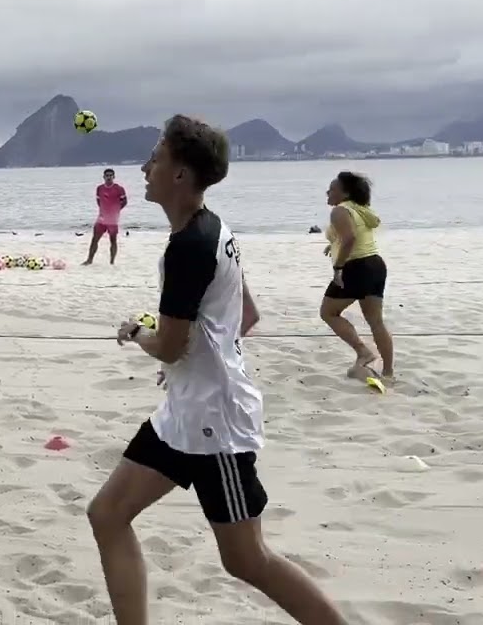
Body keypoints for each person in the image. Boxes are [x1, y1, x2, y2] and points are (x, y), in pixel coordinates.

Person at [87, 115, 347, 625]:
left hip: (214, 428)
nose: (145, 168)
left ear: (180, 174)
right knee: (107, 515)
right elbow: (246, 314)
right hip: (185, 414)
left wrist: (137, 334)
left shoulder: (189, 247)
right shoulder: (212, 227)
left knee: (248, 559)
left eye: (155, 158)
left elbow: (168, 347)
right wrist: (190, 362)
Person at [320, 171, 393, 380]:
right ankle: (388, 373)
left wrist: (338, 268)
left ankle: (363, 351)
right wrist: (333, 245)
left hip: (356, 267)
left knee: (328, 312)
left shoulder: (340, 211)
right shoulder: (360, 209)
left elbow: (350, 238)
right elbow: (352, 236)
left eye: (332, 189)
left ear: (345, 193)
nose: (327, 192)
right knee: (376, 321)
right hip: (375, 265)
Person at [84, 168, 128, 265]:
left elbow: (124, 202)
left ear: (114, 177)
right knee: (95, 239)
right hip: (101, 218)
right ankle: (89, 260)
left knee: (113, 240)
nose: (109, 177)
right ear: (104, 177)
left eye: (110, 175)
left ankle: (112, 262)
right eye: (107, 175)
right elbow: (99, 201)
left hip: (113, 219)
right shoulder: (99, 188)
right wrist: (103, 211)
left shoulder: (119, 189)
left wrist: (116, 210)